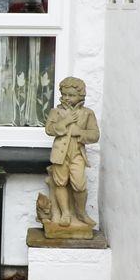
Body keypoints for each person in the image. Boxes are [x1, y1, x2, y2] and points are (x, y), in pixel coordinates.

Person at [43, 76, 99, 232]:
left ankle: (81, 212)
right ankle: (65, 213)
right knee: (60, 183)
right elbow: (49, 129)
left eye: (72, 95)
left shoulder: (87, 113)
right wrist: (66, 121)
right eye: (65, 94)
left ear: (80, 96)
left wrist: (79, 132)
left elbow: (95, 135)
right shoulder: (56, 112)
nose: (67, 97)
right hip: (60, 155)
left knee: (79, 184)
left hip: (77, 154)